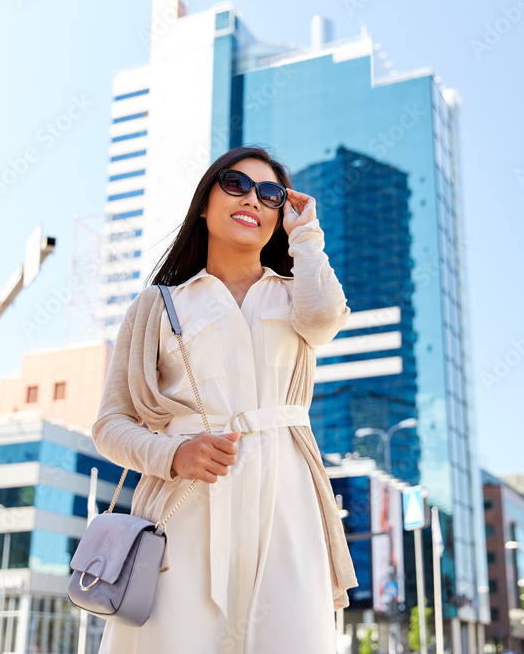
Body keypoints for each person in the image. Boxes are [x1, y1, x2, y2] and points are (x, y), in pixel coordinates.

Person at [90, 145, 358, 653]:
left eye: (270, 194)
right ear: (204, 205)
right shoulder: (157, 305)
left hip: (287, 504)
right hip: (184, 506)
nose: (252, 199)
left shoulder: (298, 294)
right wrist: (173, 454)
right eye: (235, 184)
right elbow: (110, 424)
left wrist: (305, 234)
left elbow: (325, 321)